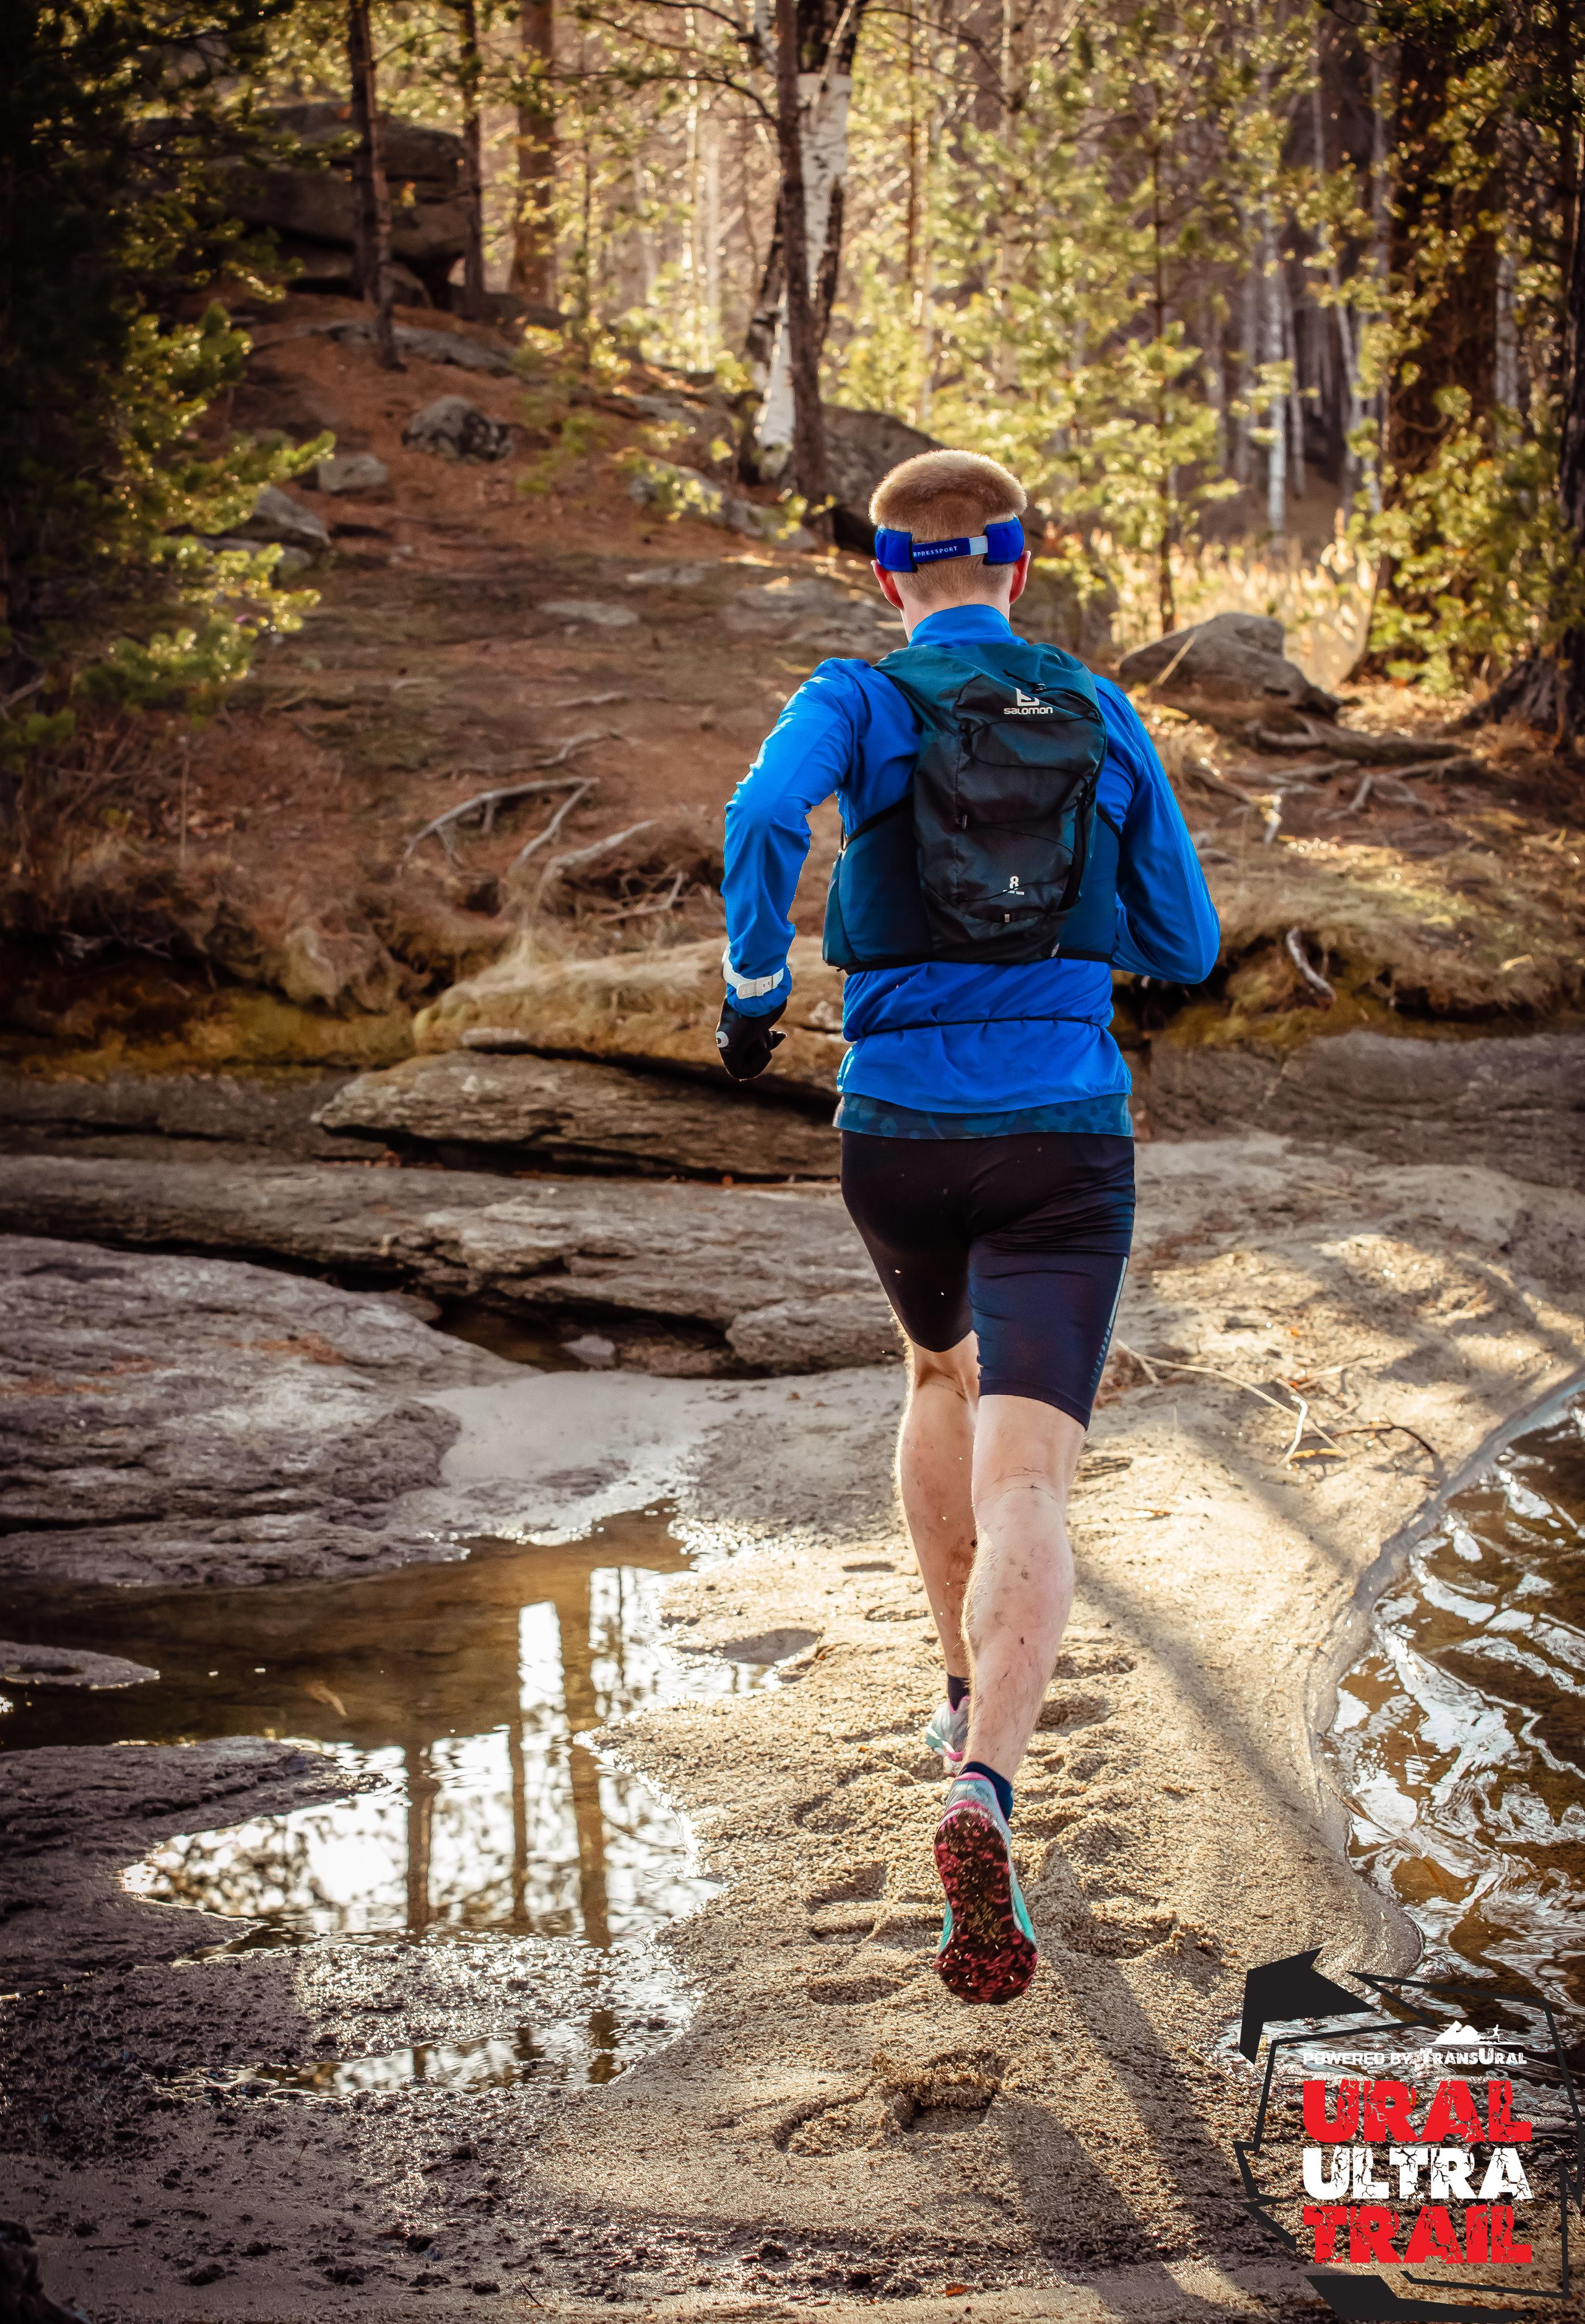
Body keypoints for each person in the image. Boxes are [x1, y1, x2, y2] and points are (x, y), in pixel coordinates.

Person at [716, 450, 1219, 2006]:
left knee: (934, 1375)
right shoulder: (1095, 707)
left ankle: (949, 1690)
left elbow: (759, 816)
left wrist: (753, 992)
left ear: (887, 574)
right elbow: (1184, 940)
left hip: (896, 1137)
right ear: (1022, 556)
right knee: (1032, 1476)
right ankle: (982, 1787)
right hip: (1061, 1138)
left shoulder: (861, 700)